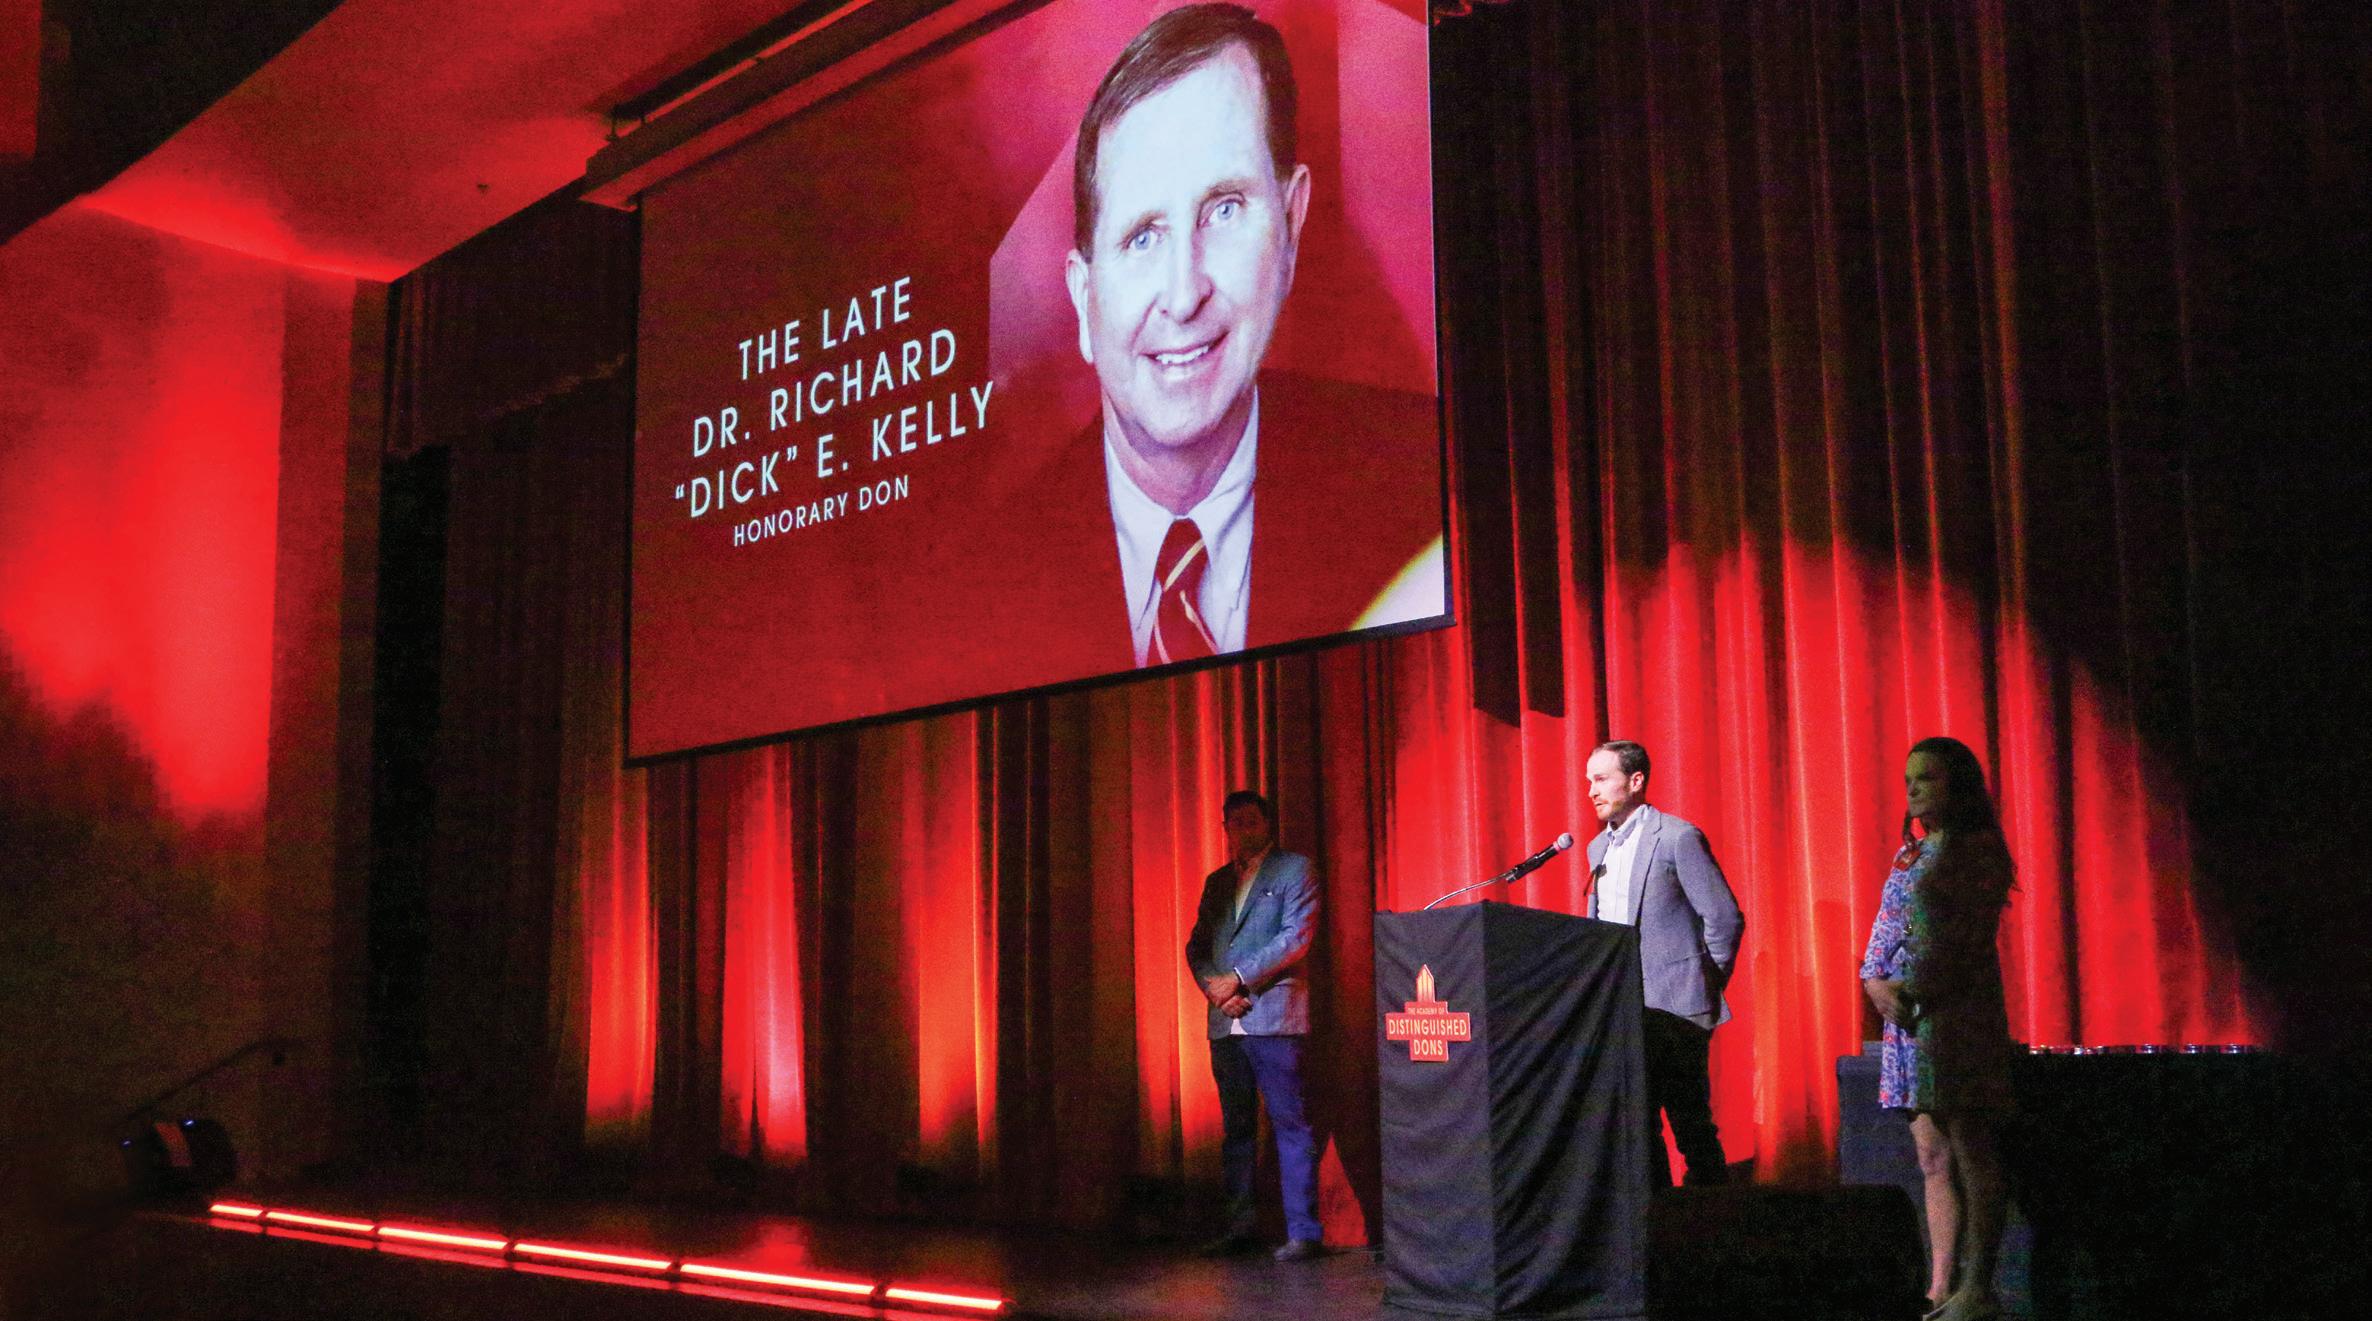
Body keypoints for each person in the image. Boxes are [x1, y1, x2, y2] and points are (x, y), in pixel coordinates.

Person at [1033, 2, 1439, 669]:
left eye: (1224, 209)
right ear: (1083, 298)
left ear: (1291, 222)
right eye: (1143, 237)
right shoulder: (976, 571)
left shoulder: (1422, 491)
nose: (1184, 293)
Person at [1860, 736, 2017, 1321]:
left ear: (1958, 786)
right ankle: (1940, 1285)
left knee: (1972, 1146)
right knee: (1930, 1154)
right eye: (1909, 780)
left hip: (1954, 1015)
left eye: (1926, 778)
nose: (1913, 790)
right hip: (1906, 1017)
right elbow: (1886, 922)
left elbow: (1963, 942)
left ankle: (1979, 1287)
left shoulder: (1977, 851)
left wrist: (1916, 988)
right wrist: (1873, 982)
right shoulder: (1912, 853)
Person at [1583, 739, 1744, 1187]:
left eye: (1602, 779)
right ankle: (1657, 1216)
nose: (1592, 791)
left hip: (1675, 1012)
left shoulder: (1677, 838)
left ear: (1635, 781)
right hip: (1622, 1011)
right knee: (1638, 1126)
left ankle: (1713, 1217)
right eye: (1589, 781)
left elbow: (1724, 918)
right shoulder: (1597, 849)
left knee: (1691, 1124)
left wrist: (1704, 982)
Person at [1182, 788, 1323, 1262]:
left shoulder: (1295, 869)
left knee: (1291, 1124)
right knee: (1237, 1131)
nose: (1244, 830)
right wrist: (1216, 990)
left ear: (1267, 824)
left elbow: (1296, 937)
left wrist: (1239, 979)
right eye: (1235, 823)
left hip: (1275, 1017)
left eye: (1251, 821)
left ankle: (1304, 1233)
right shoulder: (1217, 882)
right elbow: (1197, 946)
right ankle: (1239, 1229)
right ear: (1225, 829)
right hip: (1226, 1021)